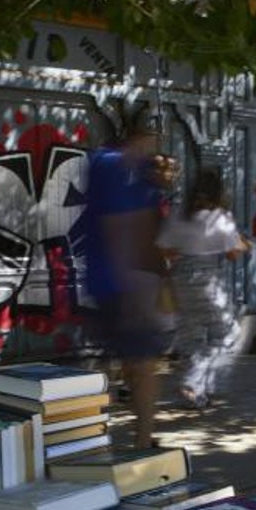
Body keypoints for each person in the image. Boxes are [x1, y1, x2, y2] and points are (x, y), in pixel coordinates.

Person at [83, 118, 173, 448]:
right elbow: (119, 229)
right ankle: (142, 439)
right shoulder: (113, 167)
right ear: (138, 138)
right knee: (145, 364)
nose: (153, 149)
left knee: (132, 363)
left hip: (113, 283)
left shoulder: (115, 170)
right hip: (125, 285)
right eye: (150, 141)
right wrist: (134, 289)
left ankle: (130, 436)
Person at [157, 166, 250, 409]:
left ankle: (197, 391)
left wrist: (186, 247)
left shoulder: (178, 213)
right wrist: (244, 245)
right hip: (208, 279)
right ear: (218, 193)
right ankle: (196, 381)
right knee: (227, 333)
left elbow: (164, 249)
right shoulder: (220, 217)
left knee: (191, 335)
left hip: (180, 278)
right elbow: (232, 253)